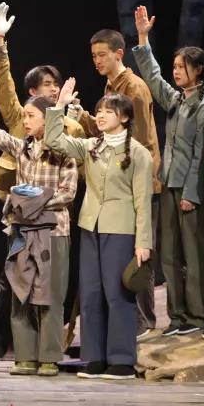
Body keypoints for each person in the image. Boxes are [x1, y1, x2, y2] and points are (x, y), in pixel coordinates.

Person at [0, 3, 84, 371]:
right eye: (24, 115)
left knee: (50, 295)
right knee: (20, 293)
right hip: (23, 231)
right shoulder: (21, 146)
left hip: (54, 230)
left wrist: (31, 202)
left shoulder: (65, 147)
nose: (25, 121)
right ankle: (24, 356)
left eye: (31, 116)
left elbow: (68, 193)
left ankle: (49, 357)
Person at [46, 79, 153, 380]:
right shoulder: (92, 146)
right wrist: (59, 106)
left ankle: (122, 360)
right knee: (91, 293)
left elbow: (143, 201)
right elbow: (54, 140)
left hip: (121, 230)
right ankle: (94, 357)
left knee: (117, 294)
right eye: (100, 110)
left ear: (125, 117)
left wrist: (143, 242)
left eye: (108, 111)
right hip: (90, 226)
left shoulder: (139, 154)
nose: (101, 115)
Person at [132, 6, 204, 337]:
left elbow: (202, 156)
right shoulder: (178, 101)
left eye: (182, 67)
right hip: (169, 185)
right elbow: (153, 78)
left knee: (195, 255)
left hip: (190, 190)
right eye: (175, 67)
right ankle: (178, 316)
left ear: (198, 70)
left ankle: (200, 315)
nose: (176, 71)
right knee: (169, 255)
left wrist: (192, 195)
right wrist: (143, 37)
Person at [78, 29, 162, 340]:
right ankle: (131, 323)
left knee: (139, 255)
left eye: (102, 55)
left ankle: (144, 323)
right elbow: (109, 135)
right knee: (120, 259)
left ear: (119, 54)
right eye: (94, 56)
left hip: (137, 183)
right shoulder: (112, 85)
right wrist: (84, 117)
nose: (97, 61)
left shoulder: (134, 88)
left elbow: (140, 141)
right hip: (117, 185)